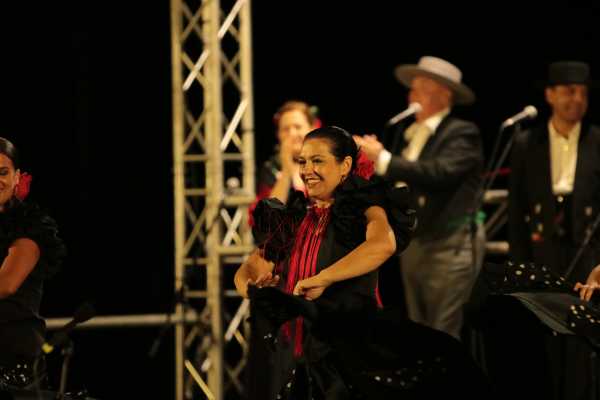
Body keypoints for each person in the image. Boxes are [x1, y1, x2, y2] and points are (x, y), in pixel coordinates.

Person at [235, 126, 490, 399]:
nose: (307, 170)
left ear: (345, 166)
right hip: (298, 361)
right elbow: (249, 269)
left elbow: (383, 244)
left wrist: (324, 278)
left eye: (317, 160)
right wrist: (254, 286)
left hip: (348, 360)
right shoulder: (295, 217)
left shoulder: (364, 208)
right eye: (303, 161)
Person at [355, 56, 485, 340]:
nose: (412, 94)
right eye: (412, 87)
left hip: (448, 244)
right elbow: (401, 181)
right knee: (419, 329)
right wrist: (369, 162)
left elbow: (439, 172)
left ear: (445, 94)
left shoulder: (461, 133)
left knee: (442, 330)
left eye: (422, 87)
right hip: (415, 242)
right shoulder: (411, 135)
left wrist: (384, 158)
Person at [506, 60, 600, 400]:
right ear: (550, 95)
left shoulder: (596, 139)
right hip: (541, 246)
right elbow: (516, 209)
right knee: (543, 333)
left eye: (583, 93)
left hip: (587, 249)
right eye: (569, 92)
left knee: (582, 335)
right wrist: (519, 266)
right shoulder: (525, 142)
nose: (577, 100)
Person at [0, 137, 66, 390]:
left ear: (17, 177)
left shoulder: (29, 227)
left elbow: (5, 285)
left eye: (3, 173)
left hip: (14, 363)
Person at [255, 100, 321, 205]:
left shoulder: (327, 162)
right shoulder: (271, 168)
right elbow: (270, 212)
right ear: (278, 135)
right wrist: (286, 170)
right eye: (285, 129)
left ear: (312, 129)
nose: (292, 134)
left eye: (298, 127)